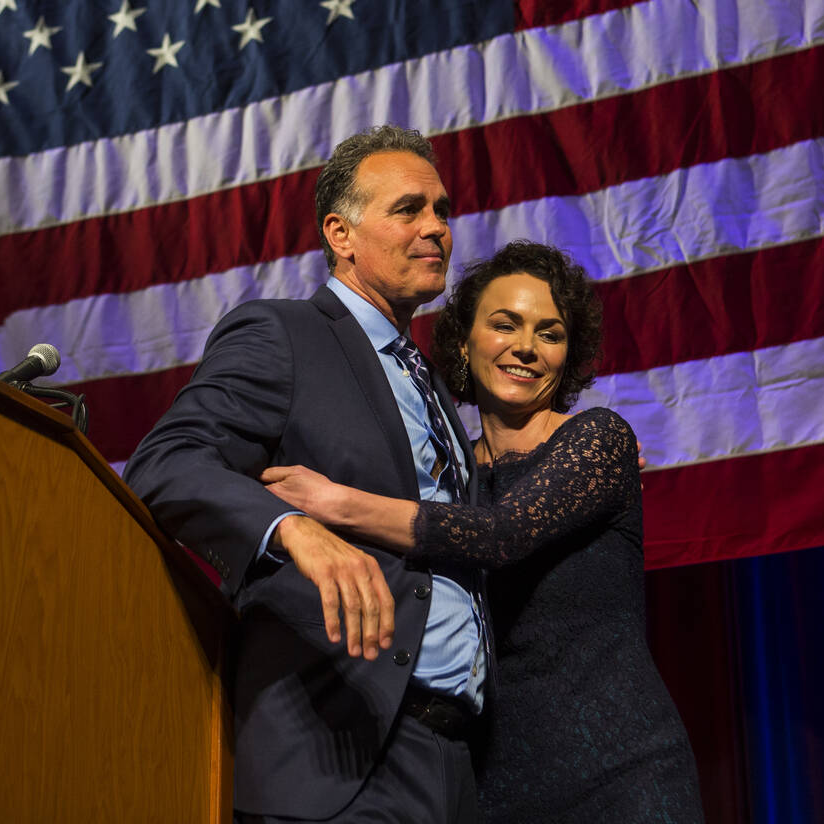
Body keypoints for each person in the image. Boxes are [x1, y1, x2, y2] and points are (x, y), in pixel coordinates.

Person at [261, 241, 706, 823]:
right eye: (505, 324)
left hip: (621, 774)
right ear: (464, 343)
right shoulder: (448, 476)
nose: (525, 346)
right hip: (491, 788)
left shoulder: (600, 440)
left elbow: (499, 535)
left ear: (568, 357)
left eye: (550, 333)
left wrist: (332, 502)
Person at [124, 125, 489, 822]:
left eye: (442, 210)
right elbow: (166, 462)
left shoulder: (431, 384)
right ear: (341, 234)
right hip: (341, 756)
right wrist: (292, 529)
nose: (436, 228)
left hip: (459, 764)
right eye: (408, 209)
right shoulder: (283, 333)